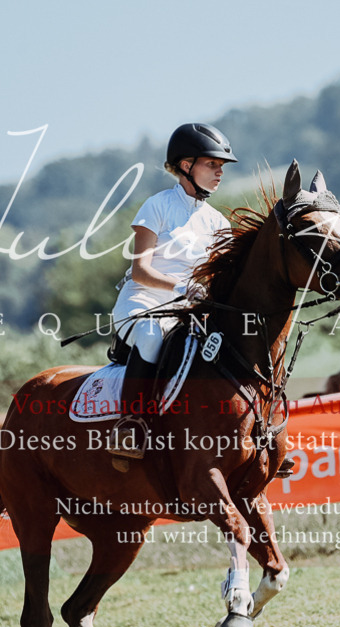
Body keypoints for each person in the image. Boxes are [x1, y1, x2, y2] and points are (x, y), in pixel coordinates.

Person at [109, 123, 237, 459]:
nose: (219, 172)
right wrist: (183, 286)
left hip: (187, 312)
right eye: (212, 164)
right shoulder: (157, 206)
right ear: (185, 165)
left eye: (221, 167)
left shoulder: (218, 223)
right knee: (151, 334)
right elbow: (141, 271)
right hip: (142, 304)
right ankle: (130, 425)